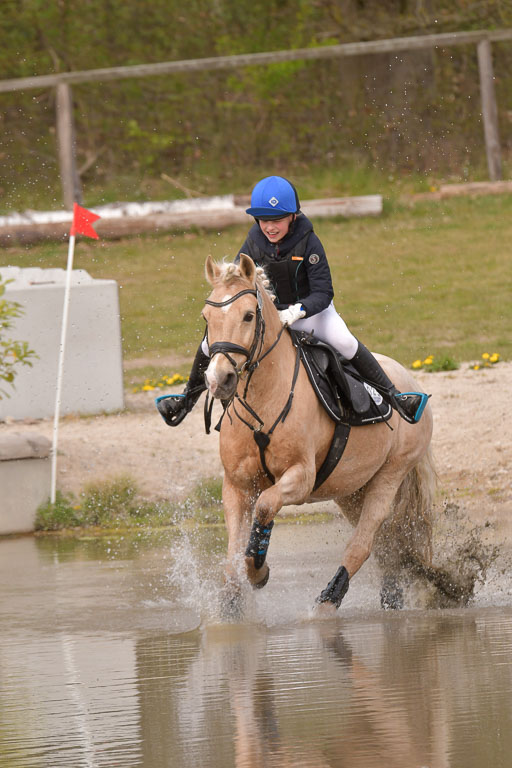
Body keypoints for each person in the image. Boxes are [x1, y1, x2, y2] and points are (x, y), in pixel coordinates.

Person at [156, 175, 428, 427]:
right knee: (209, 343)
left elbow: (323, 293)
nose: (269, 227)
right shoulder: (252, 243)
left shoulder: (309, 243)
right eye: (263, 220)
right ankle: (185, 401)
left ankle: (395, 397)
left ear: (293, 217)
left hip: (312, 313)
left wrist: (296, 312)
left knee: (344, 341)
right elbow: (239, 284)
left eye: (277, 219)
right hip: (269, 317)